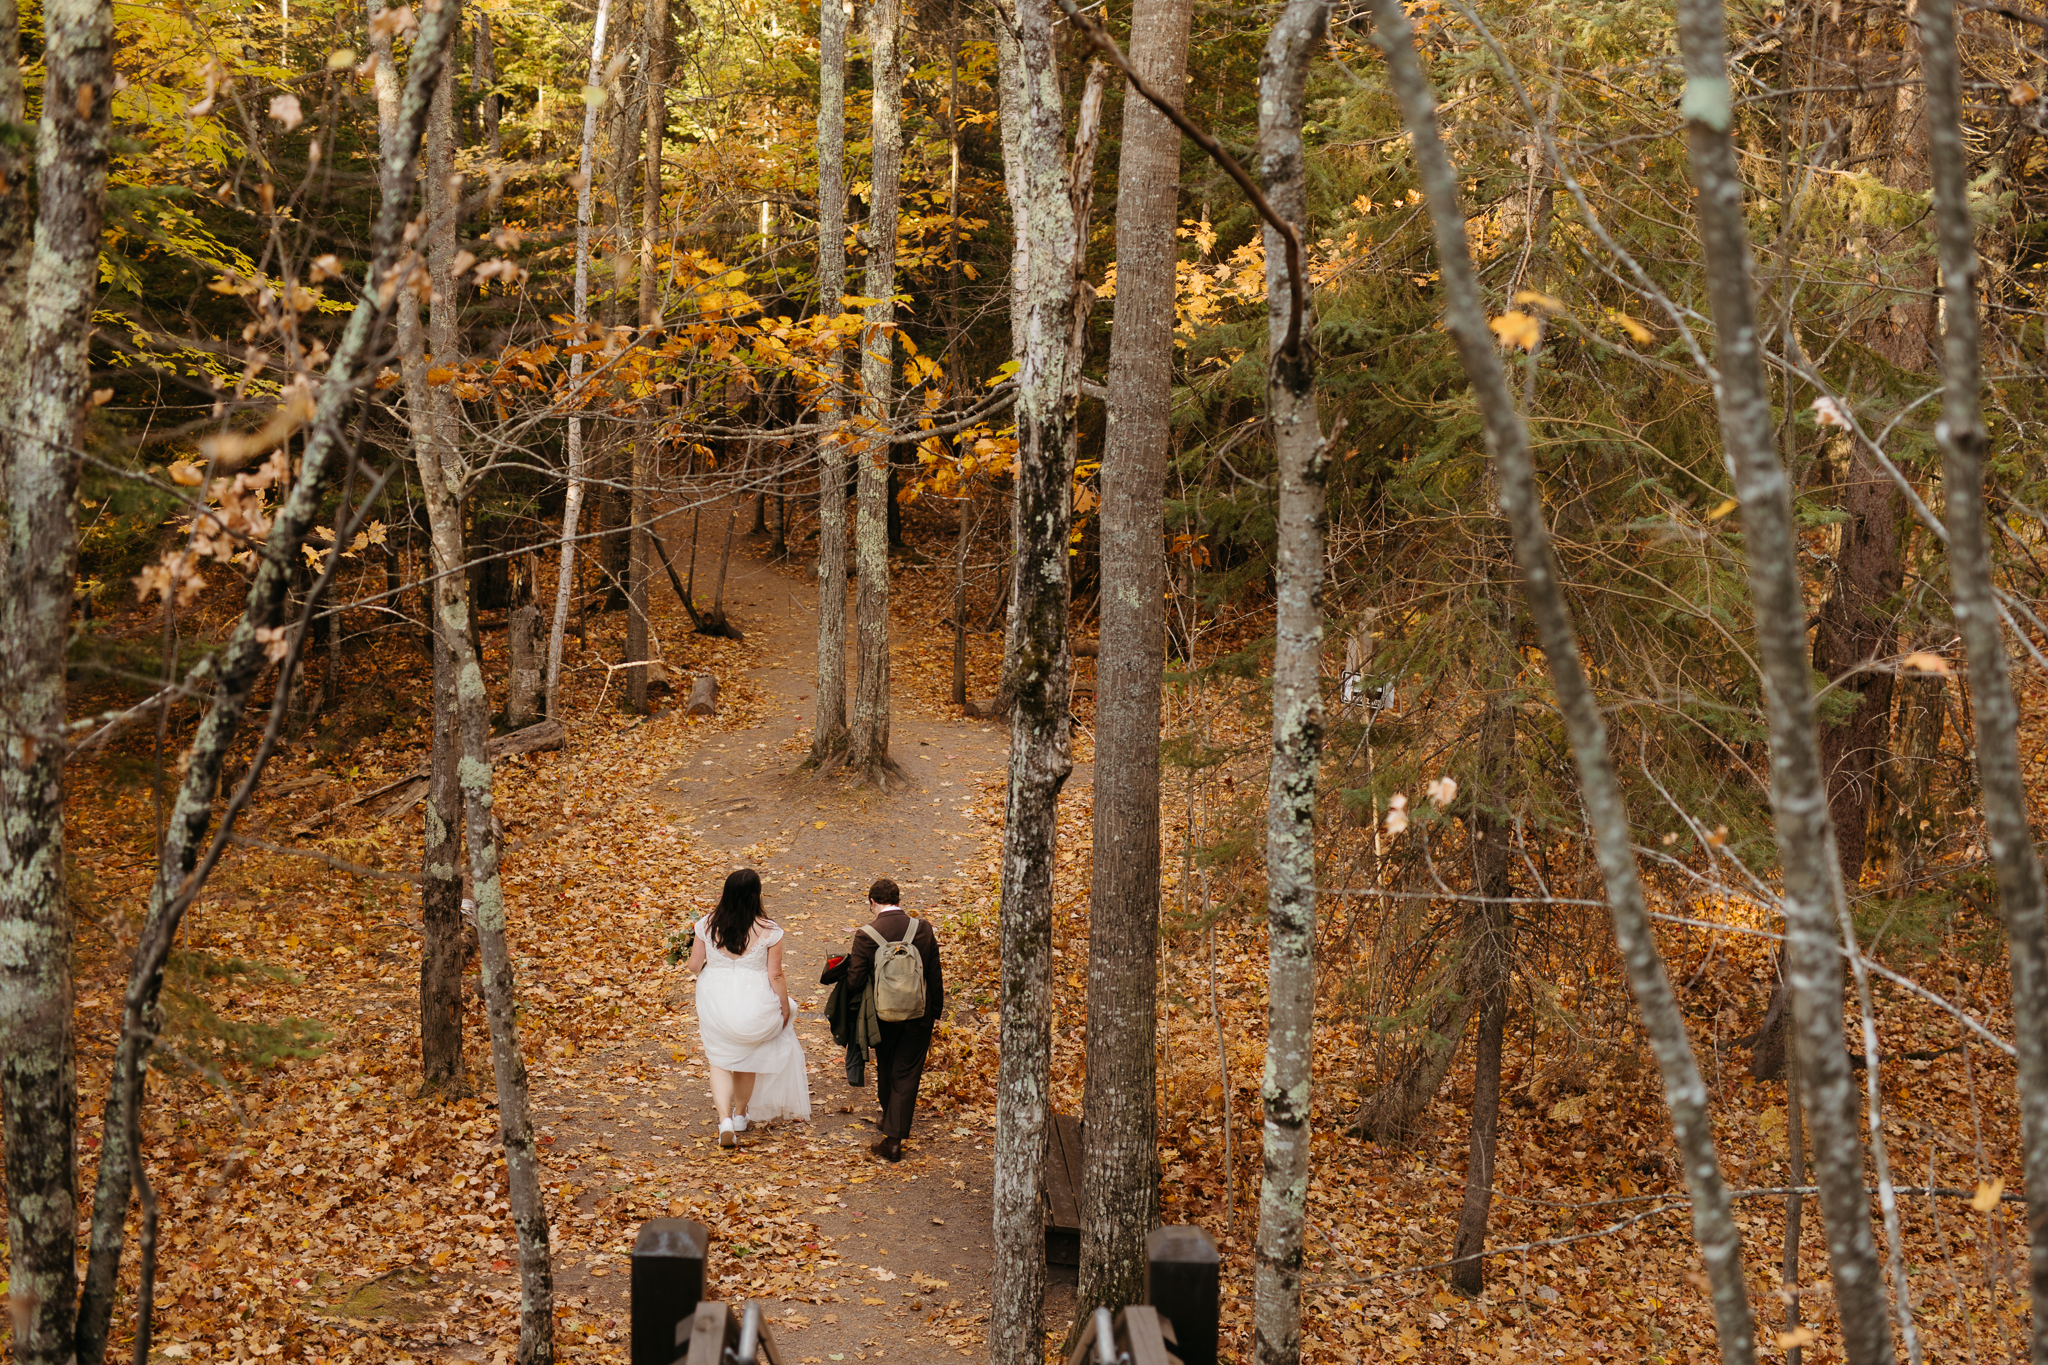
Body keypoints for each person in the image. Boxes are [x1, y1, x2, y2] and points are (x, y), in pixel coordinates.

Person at [685, 868, 811, 1145]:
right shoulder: (769, 930)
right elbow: (775, 975)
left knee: (719, 1061)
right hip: (753, 999)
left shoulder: (705, 925)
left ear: (726, 892)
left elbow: (694, 966)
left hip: (715, 999)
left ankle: (724, 1120)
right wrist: (784, 1006)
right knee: (745, 1060)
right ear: (757, 895)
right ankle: (740, 1115)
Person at [843, 877, 943, 1162]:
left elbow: (855, 982)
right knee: (907, 1072)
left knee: (887, 1066)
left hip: (882, 1016)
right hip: (918, 1014)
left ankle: (893, 1140)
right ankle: (891, 1123)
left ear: (872, 902)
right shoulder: (922, 929)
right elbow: (933, 973)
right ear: (899, 900)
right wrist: (934, 1012)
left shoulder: (866, 935)